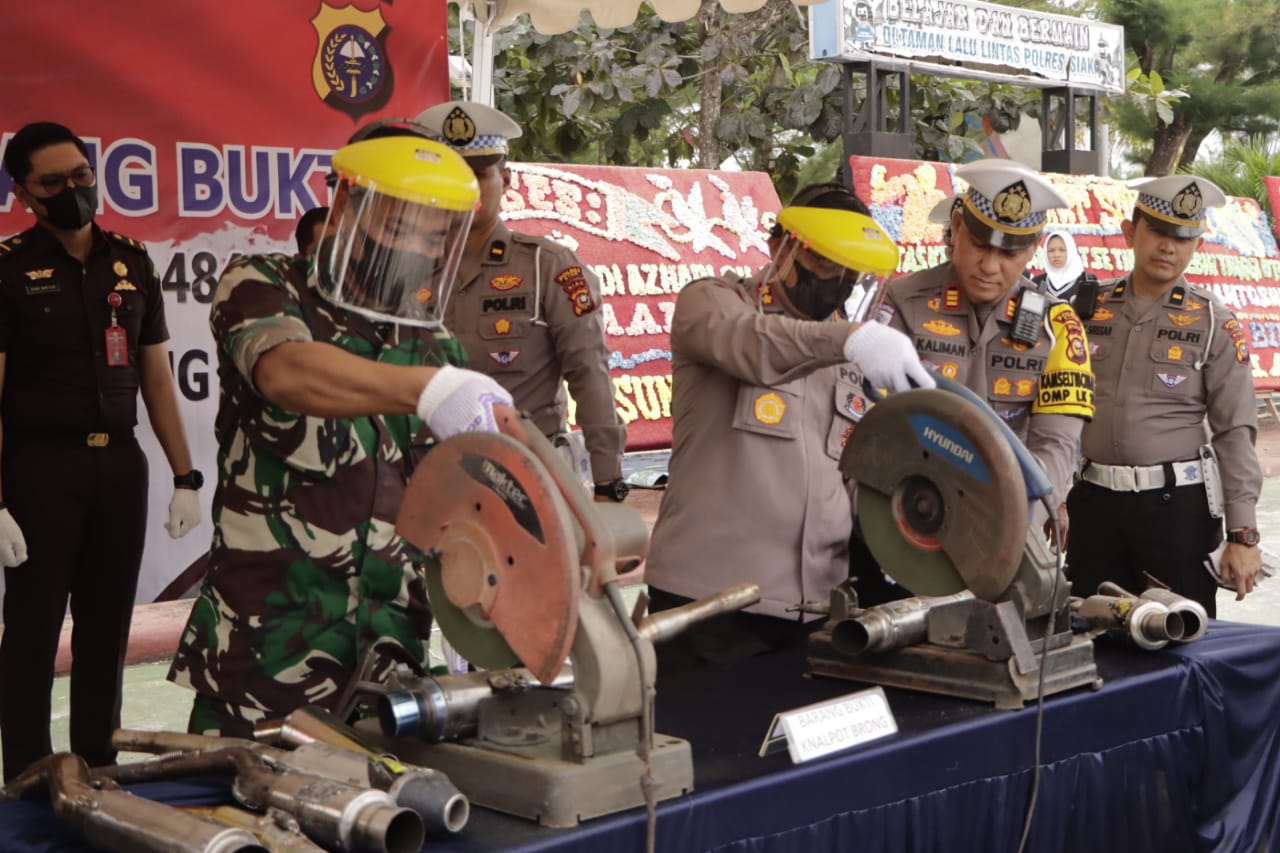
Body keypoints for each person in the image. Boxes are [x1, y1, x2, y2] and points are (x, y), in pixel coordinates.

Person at [167, 135, 515, 736]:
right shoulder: (265, 284)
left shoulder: (433, 344)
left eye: (439, 237)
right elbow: (285, 371)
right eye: (410, 227)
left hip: (390, 666)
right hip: (266, 658)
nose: (424, 251)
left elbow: (455, 505)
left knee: (382, 822)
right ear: (351, 207)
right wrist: (428, 391)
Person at [643, 182, 934, 671]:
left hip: (818, 608)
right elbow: (755, 348)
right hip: (711, 608)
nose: (837, 280)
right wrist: (849, 339)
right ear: (779, 246)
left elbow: (853, 474)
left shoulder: (850, 349)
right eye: (824, 262)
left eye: (850, 271)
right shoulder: (714, 305)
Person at [0, 121, 202, 780]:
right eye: (52, 183)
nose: (72, 191)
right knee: (32, 632)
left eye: (80, 176)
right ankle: (27, 774)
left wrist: (186, 474)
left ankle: (98, 767)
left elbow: (156, 379)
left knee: (106, 626)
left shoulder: (131, 260)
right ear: (25, 194)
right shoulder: (7, 269)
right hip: (38, 469)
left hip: (119, 465)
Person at [853, 160, 1095, 604]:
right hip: (901, 520)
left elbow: (1057, 444)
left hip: (1002, 533)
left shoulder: (1059, 325)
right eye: (980, 245)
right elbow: (864, 422)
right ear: (957, 227)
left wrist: (1017, 513)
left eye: (1010, 254)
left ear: (1033, 249)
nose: (989, 266)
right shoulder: (901, 304)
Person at [1067, 176, 1262, 616]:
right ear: (1130, 232)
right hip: (1093, 506)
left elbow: (1235, 432)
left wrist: (1243, 534)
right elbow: (1057, 413)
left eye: (1183, 237)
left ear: (1196, 245)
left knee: (1181, 645)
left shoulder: (1215, 323)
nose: (1169, 247)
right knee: (1087, 638)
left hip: (1176, 514)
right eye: (1158, 231)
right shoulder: (1086, 309)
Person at [414, 101, 627, 500]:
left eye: (478, 175)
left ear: (506, 179)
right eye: (450, 175)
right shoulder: (405, 269)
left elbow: (589, 373)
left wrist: (607, 481)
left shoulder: (548, 264)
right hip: (429, 479)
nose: (465, 189)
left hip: (527, 478)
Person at [1031, 229, 1099, 315]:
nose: (1056, 255)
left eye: (1062, 250)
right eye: (1051, 250)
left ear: (1071, 250)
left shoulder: (1087, 281)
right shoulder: (1036, 282)